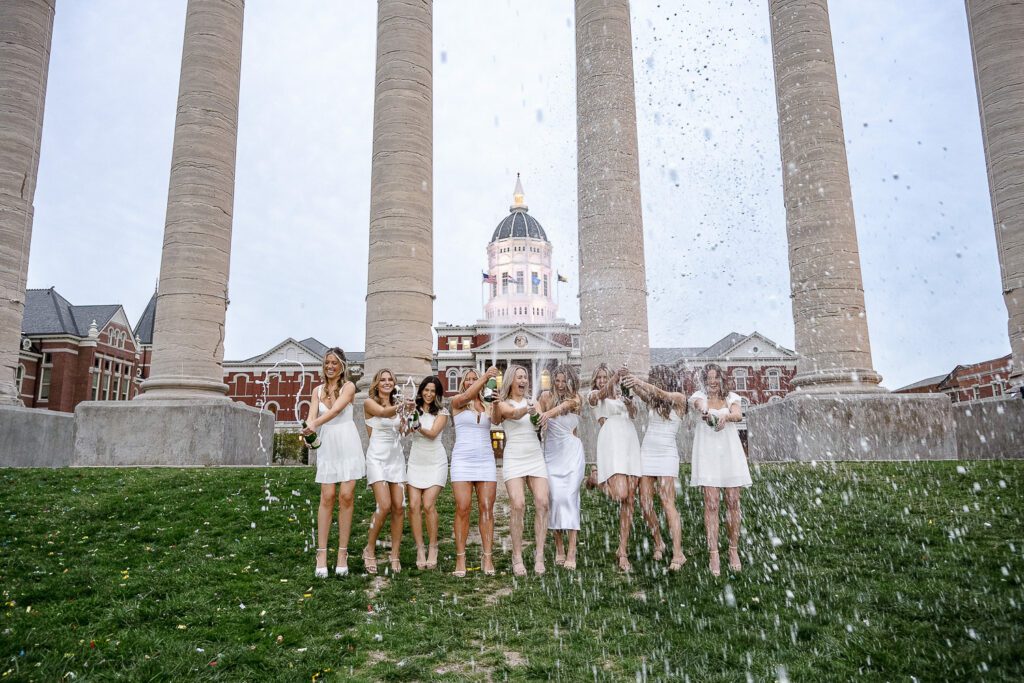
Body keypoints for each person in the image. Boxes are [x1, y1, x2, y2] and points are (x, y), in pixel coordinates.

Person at [302, 348, 364, 578]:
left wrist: (314, 424)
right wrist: (310, 433)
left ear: (342, 366)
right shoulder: (317, 391)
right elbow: (311, 415)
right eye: (327, 362)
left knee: (346, 496)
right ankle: (321, 554)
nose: (330, 366)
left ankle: (342, 554)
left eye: (334, 363)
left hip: (347, 442)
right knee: (327, 497)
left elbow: (337, 410)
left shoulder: (349, 387)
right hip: (327, 445)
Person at [622, 365, 687, 572]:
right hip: (647, 453)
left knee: (668, 503)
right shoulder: (653, 401)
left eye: (655, 380)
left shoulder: (678, 398)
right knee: (645, 503)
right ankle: (659, 541)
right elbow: (643, 393)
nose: (652, 383)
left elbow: (660, 393)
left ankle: (678, 553)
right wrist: (628, 378)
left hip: (667, 455)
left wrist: (640, 382)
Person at [689, 363, 752, 576]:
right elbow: (699, 406)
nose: (713, 382)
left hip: (729, 452)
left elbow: (738, 414)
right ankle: (714, 552)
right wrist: (708, 413)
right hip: (708, 453)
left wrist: (725, 417)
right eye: (709, 378)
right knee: (712, 503)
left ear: (722, 379)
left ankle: (733, 550)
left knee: (733, 501)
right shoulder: (698, 395)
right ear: (704, 381)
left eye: (716, 378)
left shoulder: (732, 397)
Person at [492, 364, 550, 576]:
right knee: (518, 504)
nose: (524, 380)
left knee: (543, 502)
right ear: (511, 380)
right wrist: (529, 409)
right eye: (519, 377)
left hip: (535, 455)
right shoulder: (502, 403)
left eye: (525, 376)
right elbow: (513, 414)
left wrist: (542, 420)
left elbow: (540, 423)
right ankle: (517, 556)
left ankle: (539, 554)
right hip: (514, 456)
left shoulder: (534, 401)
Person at [587, 363, 642, 572]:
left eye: (605, 376)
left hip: (630, 441)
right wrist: (614, 378)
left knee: (629, 500)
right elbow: (599, 395)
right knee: (620, 494)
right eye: (599, 377)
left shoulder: (621, 396)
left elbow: (634, 414)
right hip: (611, 441)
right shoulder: (594, 396)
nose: (602, 380)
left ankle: (622, 550)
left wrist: (628, 403)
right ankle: (595, 479)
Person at [449, 366, 500, 577]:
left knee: (486, 508)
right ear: (463, 383)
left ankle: (487, 556)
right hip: (462, 460)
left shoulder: (486, 403)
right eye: (468, 379)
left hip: (485, 459)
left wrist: (496, 403)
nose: (471, 382)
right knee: (463, 507)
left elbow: (496, 421)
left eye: (474, 379)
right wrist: (486, 376)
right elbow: (469, 395)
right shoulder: (457, 402)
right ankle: (460, 557)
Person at [362, 368, 412, 575]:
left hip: (396, 458)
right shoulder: (369, 403)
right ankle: (370, 548)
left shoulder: (396, 405)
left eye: (390, 379)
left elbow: (404, 431)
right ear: (376, 383)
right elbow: (382, 414)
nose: (386, 382)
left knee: (399, 507)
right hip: (377, 458)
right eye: (382, 379)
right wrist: (402, 407)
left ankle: (395, 555)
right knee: (384, 505)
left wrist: (409, 418)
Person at [538, 365, 585, 570]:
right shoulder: (545, 397)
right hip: (552, 454)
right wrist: (539, 419)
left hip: (572, 453)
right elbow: (536, 418)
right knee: (555, 498)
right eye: (556, 381)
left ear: (571, 381)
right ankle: (559, 547)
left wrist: (547, 414)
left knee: (570, 498)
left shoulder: (576, 399)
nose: (559, 385)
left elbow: (563, 408)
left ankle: (572, 550)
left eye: (563, 381)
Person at [406, 376, 449, 571]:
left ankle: (433, 546)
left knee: (428, 504)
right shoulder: (412, 409)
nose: (429, 394)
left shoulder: (442, 412)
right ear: (421, 390)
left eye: (433, 391)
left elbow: (432, 434)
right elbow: (403, 431)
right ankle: (420, 549)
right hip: (416, 460)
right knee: (414, 506)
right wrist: (405, 420)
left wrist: (417, 426)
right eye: (426, 390)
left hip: (435, 460)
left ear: (437, 393)